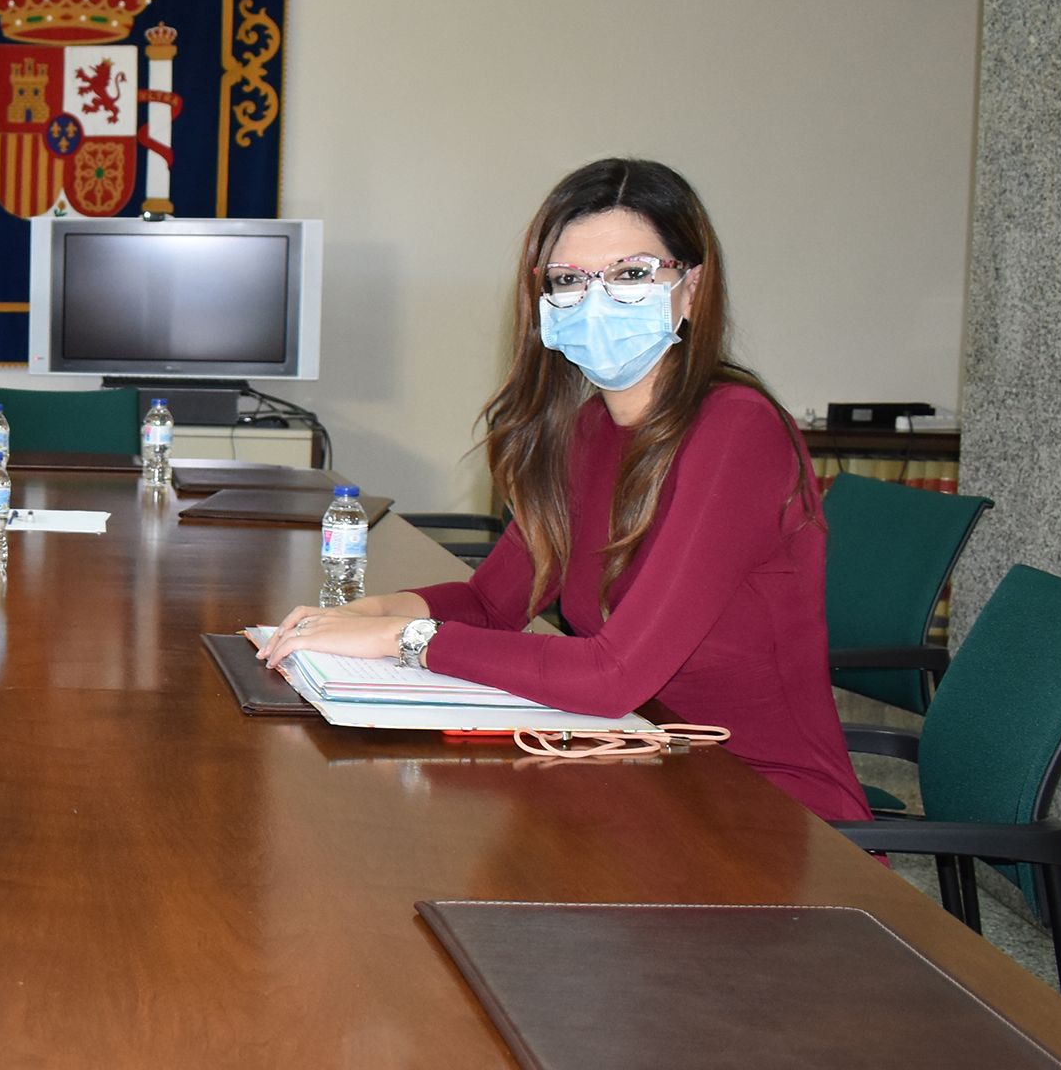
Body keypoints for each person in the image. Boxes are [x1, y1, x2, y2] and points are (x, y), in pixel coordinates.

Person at [258, 157, 868, 822]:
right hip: (636, 772)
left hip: (765, 812)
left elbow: (612, 676)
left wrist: (402, 639)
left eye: (632, 274)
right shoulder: (586, 431)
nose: (597, 299)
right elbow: (492, 602)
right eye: (569, 280)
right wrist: (363, 615)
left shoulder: (737, 429)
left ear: (692, 287)